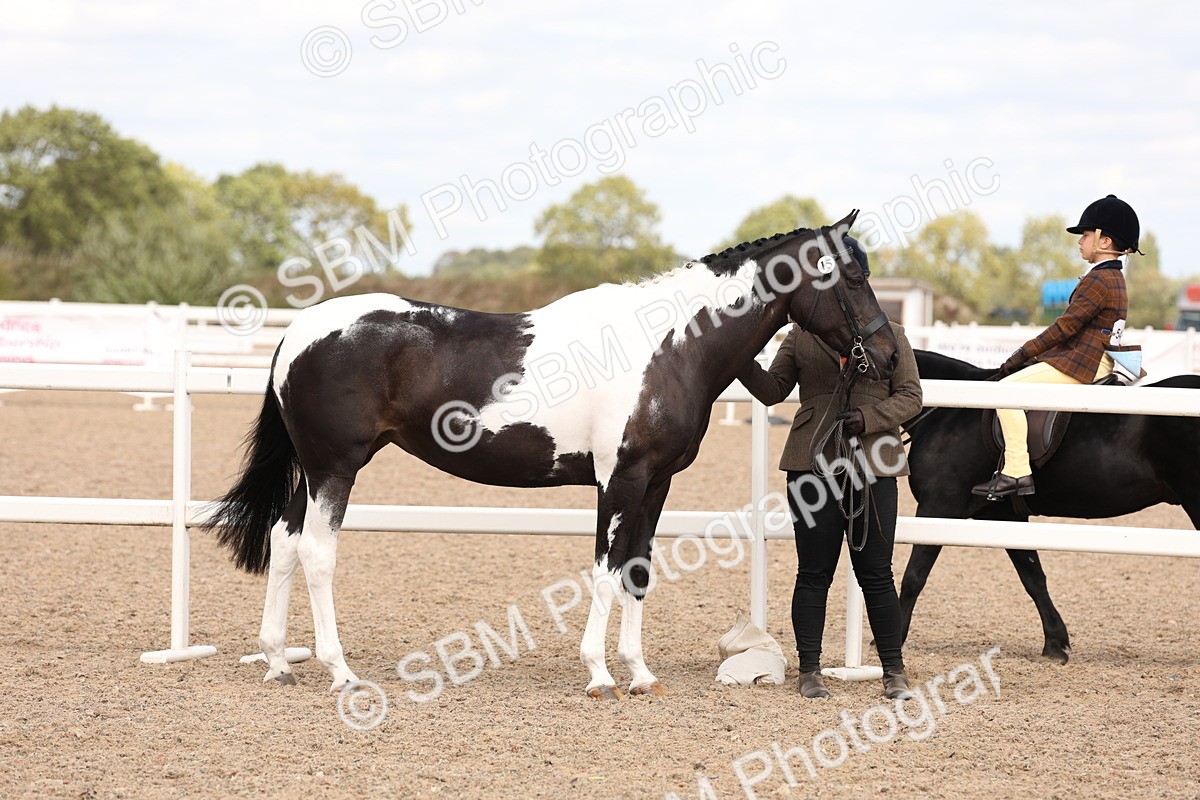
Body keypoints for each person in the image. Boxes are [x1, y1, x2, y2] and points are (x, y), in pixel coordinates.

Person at [736, 237, 922, 700]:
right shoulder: (801, 335)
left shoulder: (892, 335)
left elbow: (912, 397)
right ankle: (810, 669)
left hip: (873, 463)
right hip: (811, 464)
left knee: (876, 571)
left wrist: (867, 419)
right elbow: (773, 389)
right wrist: (736, 355)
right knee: (813, 571)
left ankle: (893, 670)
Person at [972, 195, 1141, 500]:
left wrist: (1024, 353)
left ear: (1104, 241)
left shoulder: (1100, 280)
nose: (1081, 242)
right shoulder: (1112, 277)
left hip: (1084, 362)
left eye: (1086, 235)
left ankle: (1017, 470)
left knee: (1003, 391)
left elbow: (1065, 327)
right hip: (1096, 358)